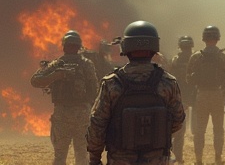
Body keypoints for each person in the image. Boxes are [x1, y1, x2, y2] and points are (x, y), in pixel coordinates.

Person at [86, 20, 185, 165]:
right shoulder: (168, 82)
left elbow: (97, 124)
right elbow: (178, 120)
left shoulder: (112, 84)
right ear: (154, 47)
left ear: (126, 47)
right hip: (157, 159)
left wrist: (94, 159)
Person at [30, 30, 98, 165]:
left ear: (64, 46)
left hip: (62, 114)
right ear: (79, 47)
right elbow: (95, 90)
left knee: (60, 156)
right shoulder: (87, 64)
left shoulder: (57, 64)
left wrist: (55, 75)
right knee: (82, 155)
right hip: (82, 114)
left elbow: (35, 81)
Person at [186, 25, 225, 165]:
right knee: (218, 129)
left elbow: (188, 79)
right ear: (217, 39)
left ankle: (199, 160)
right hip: (217, 95)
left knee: (199, 130)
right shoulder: (223, 57)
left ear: (204, 38)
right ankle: (217, 158)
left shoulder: (196, 57)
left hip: (202, 95)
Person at [169, 35, 196, 165]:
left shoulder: (175, 61)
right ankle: (179, 157)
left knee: (178, 130)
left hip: (178, 97)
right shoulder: (196, 59)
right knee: (188, 130)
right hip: (193, 97)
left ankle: (176, 156)